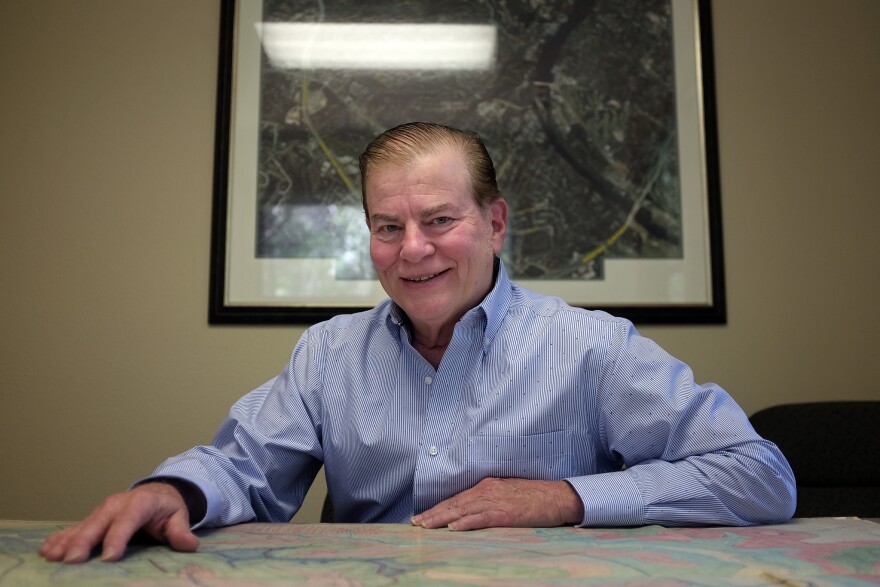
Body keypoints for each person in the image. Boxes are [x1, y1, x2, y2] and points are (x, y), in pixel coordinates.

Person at [40, 122, 796, 564]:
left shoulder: (591, 347)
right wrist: (168, 490)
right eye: (387, 226)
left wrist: (568, 496)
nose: (413, 250)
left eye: (440, 219)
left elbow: (760, 474)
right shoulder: (329, 355)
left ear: (495, 223)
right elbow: (244, 467)